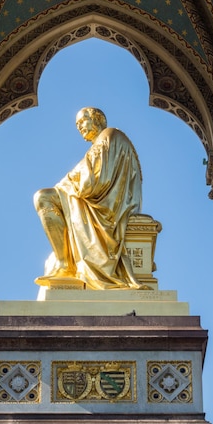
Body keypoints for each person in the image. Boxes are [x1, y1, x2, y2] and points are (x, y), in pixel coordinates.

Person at [34, 107, 144, 289]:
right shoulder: (104, 142)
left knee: (43, 198)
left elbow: (95, 183)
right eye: (77, 124)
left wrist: (68, 182)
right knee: (44, 198)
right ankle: (64, 263)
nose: (80, 127)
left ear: (97, 119)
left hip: (105, 207)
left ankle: (65, 264)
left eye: (82, 121)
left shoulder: (109, 136)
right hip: (97, 203)